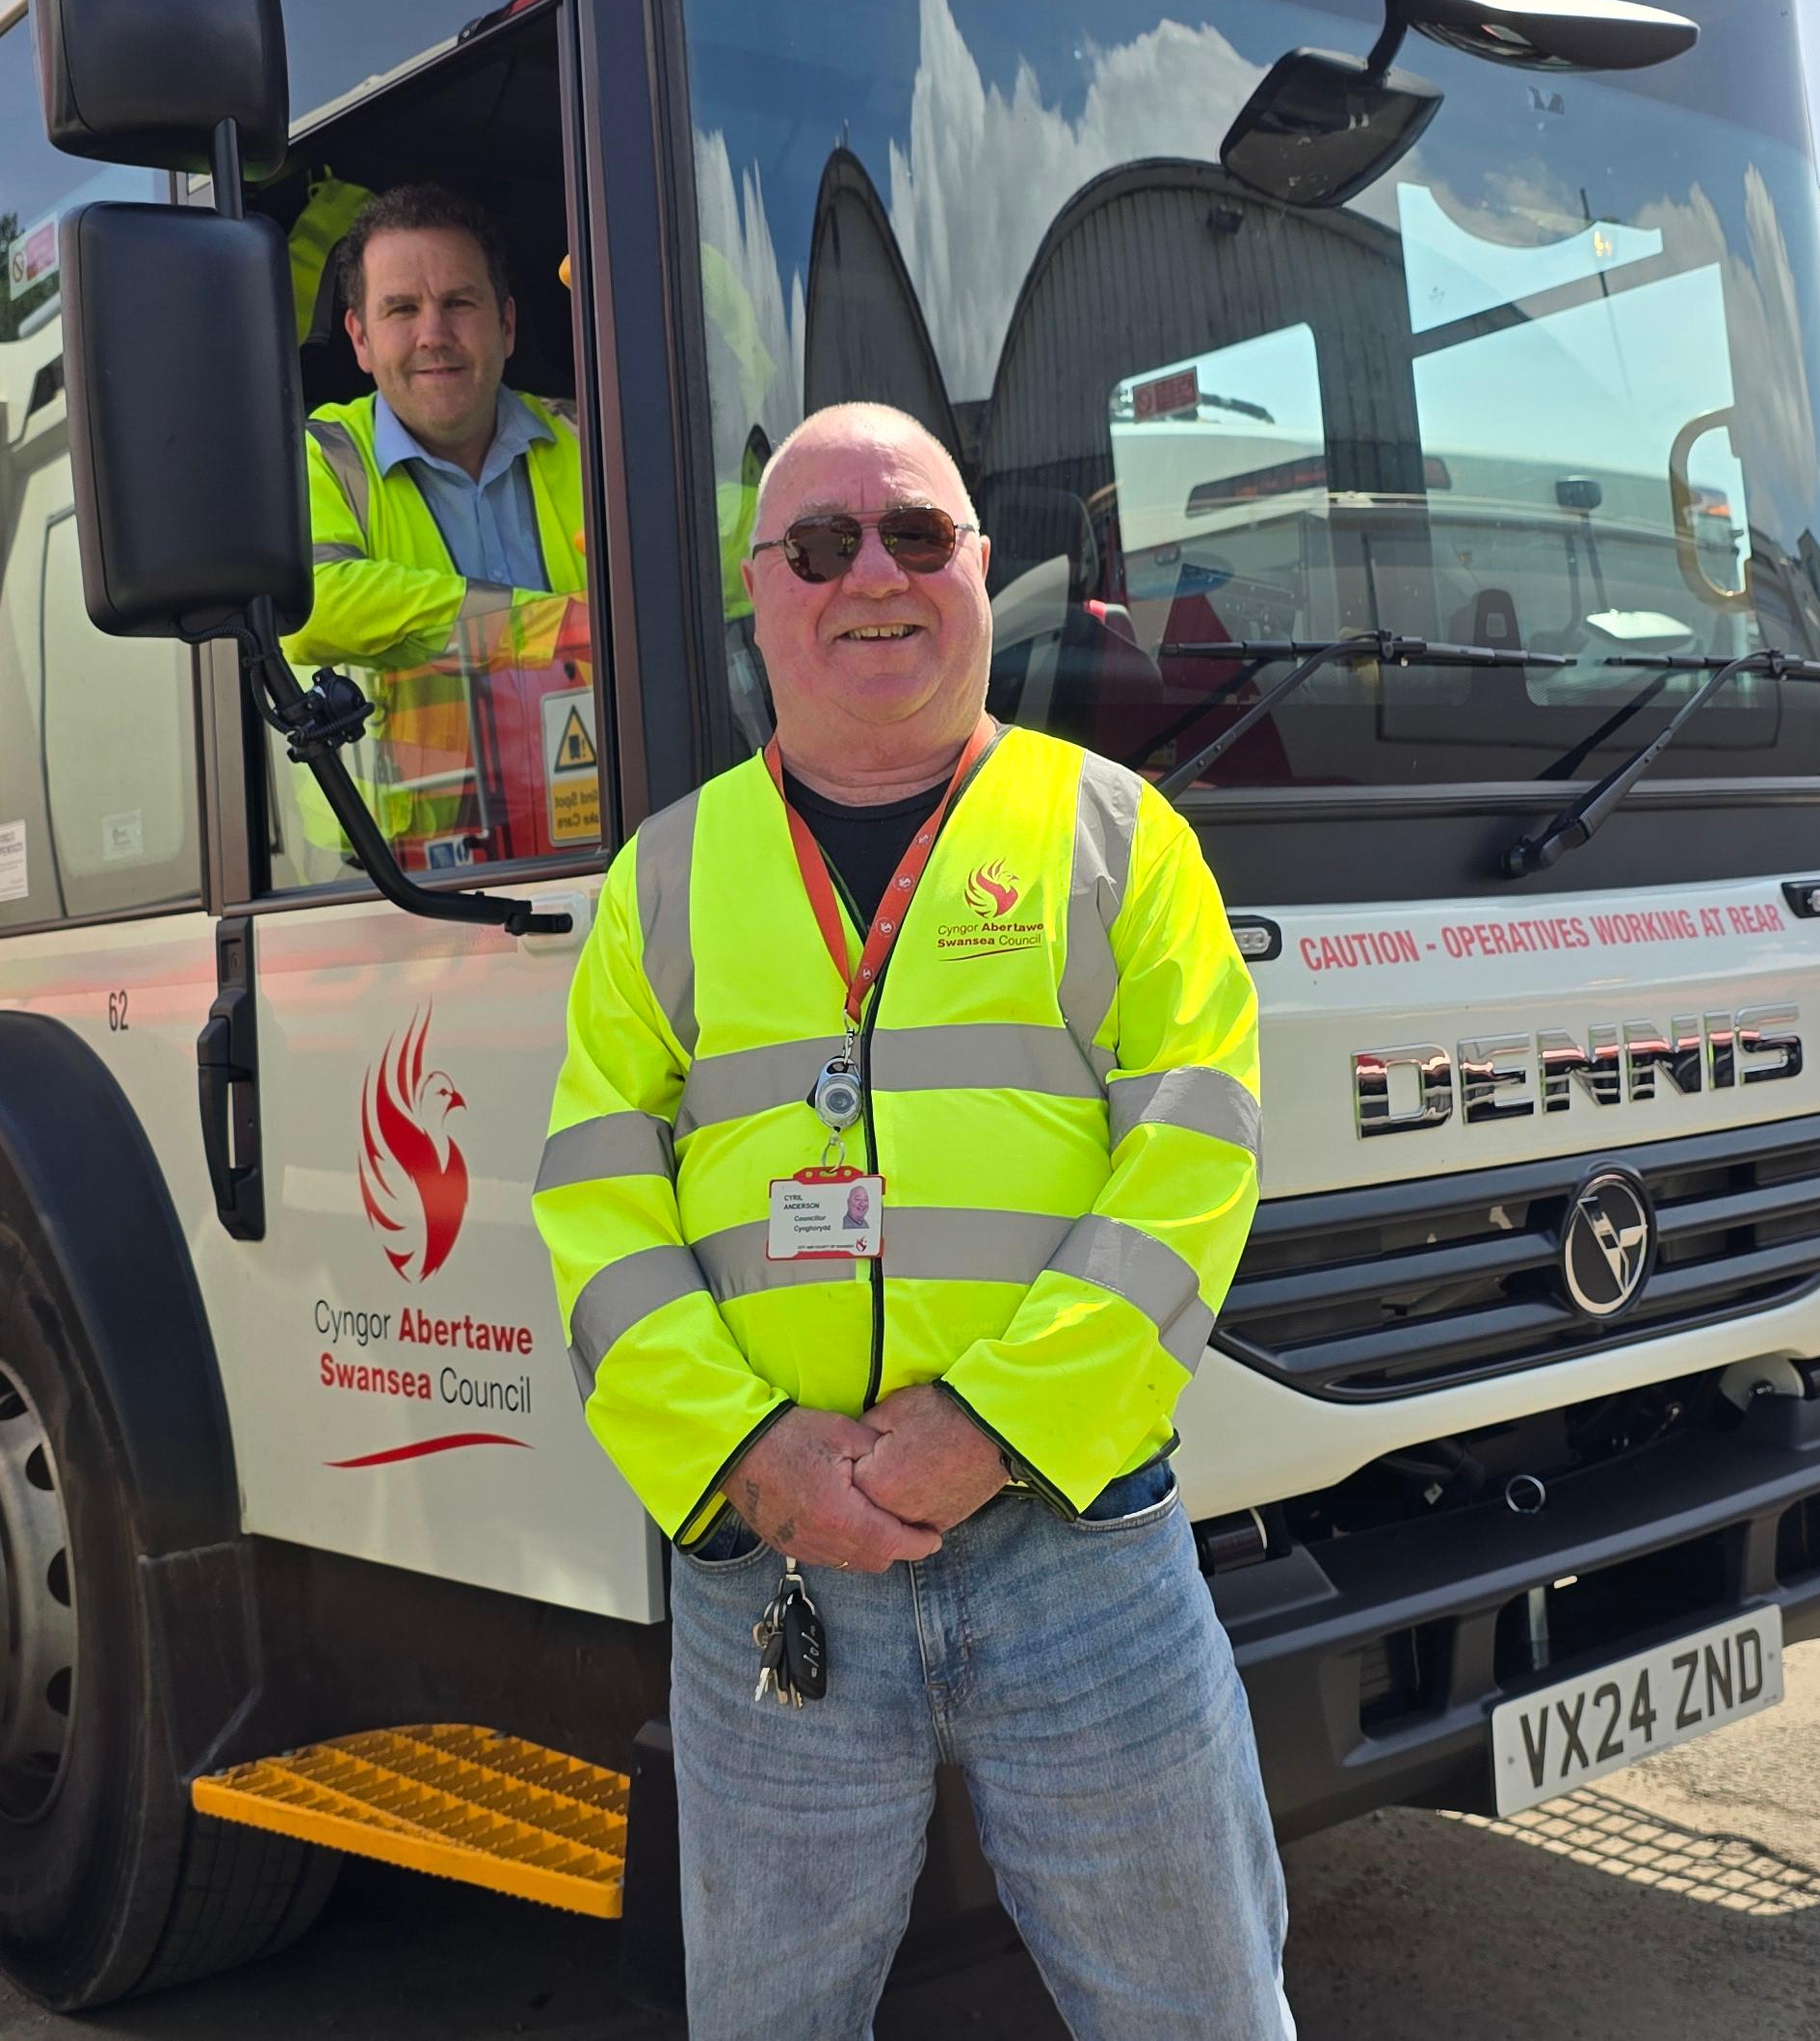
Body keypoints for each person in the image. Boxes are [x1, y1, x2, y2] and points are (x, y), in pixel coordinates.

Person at [535, 402, 1288, 2037]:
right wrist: (751, 1453)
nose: (869, 574)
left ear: (980, 573)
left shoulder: (1116, 836)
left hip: (1081, 1562)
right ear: (760, 595)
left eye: (916, 535)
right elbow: (598, 1211)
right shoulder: (662, 880)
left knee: (1202, 2014)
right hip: (774, 1581)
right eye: (818, 545)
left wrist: (995, 1422)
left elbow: (1195, 1161)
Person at [288, 182, 592, 866]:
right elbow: (310, 606)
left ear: (507, 325)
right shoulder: (319, 457)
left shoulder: (593, 440)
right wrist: (549, 626)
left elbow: (731, 535)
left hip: (602, 849)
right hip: (395, 892)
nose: (434, 333)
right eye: (401, 309)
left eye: (459, 302)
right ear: (360, 340)